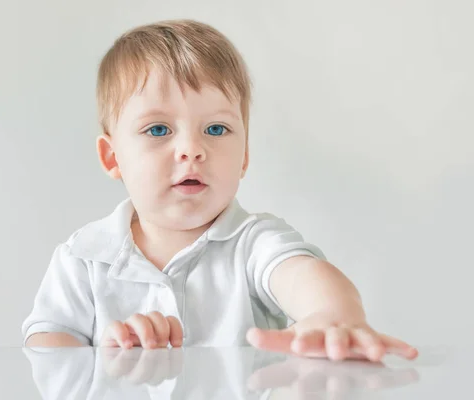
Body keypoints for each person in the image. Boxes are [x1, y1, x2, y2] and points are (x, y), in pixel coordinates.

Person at [22, 19, 418, 362]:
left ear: (244, 156)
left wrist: (333, 315)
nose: (191, 149)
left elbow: (302, 276)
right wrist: (100, 360)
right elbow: (47, 347)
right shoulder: (83, 259)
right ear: (113, 158)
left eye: (216, 129)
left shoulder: (254, 243)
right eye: (158, 129)